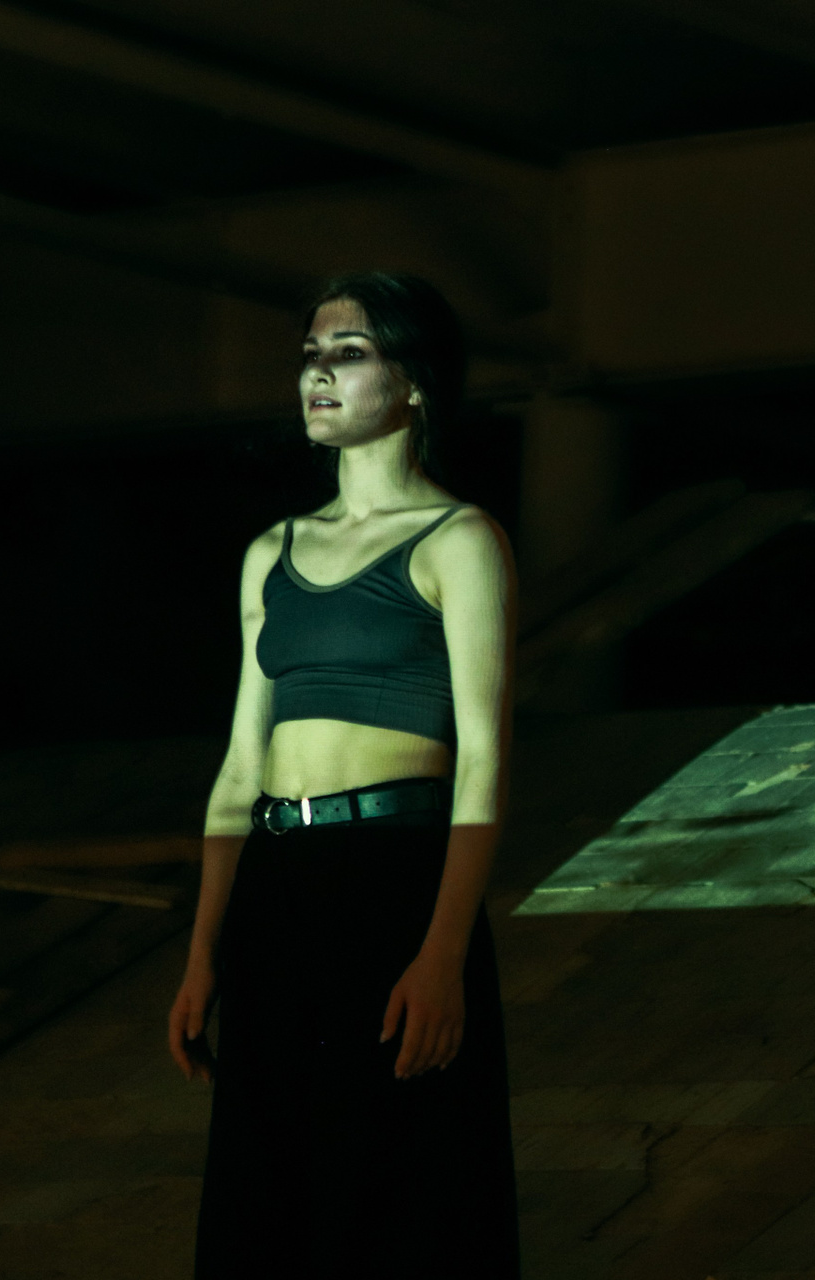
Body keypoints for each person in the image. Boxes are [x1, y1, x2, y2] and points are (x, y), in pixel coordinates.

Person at [167, 271, 521, 1278]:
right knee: (270, 1190)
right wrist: (203, 953)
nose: (317, 374)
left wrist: (444, 951)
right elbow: (240, 769)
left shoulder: (459, 540)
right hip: (277, 886)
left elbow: (485, 759)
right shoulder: (271, 552)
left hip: (393, 881)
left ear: (414, 381)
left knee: (398, 1188)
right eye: (311, 355)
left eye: (350, 352)